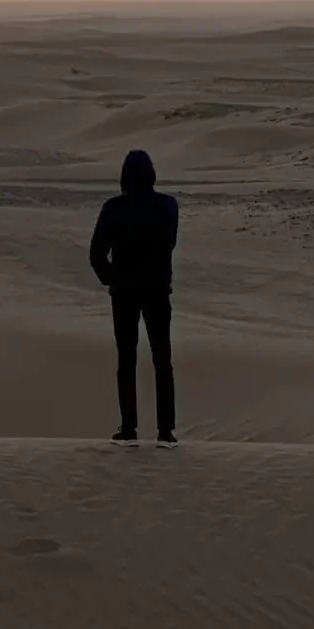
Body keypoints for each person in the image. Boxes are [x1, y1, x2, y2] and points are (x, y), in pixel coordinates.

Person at [89, 149, 179, 448]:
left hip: (125, 292)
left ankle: (129, 429)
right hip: (156, 289)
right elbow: (170, 243)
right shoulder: (168, 206)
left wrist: (112, 279)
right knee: (162, 359)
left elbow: (96, 253)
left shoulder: (114, 208)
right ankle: (166, 432)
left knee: (127, 359)